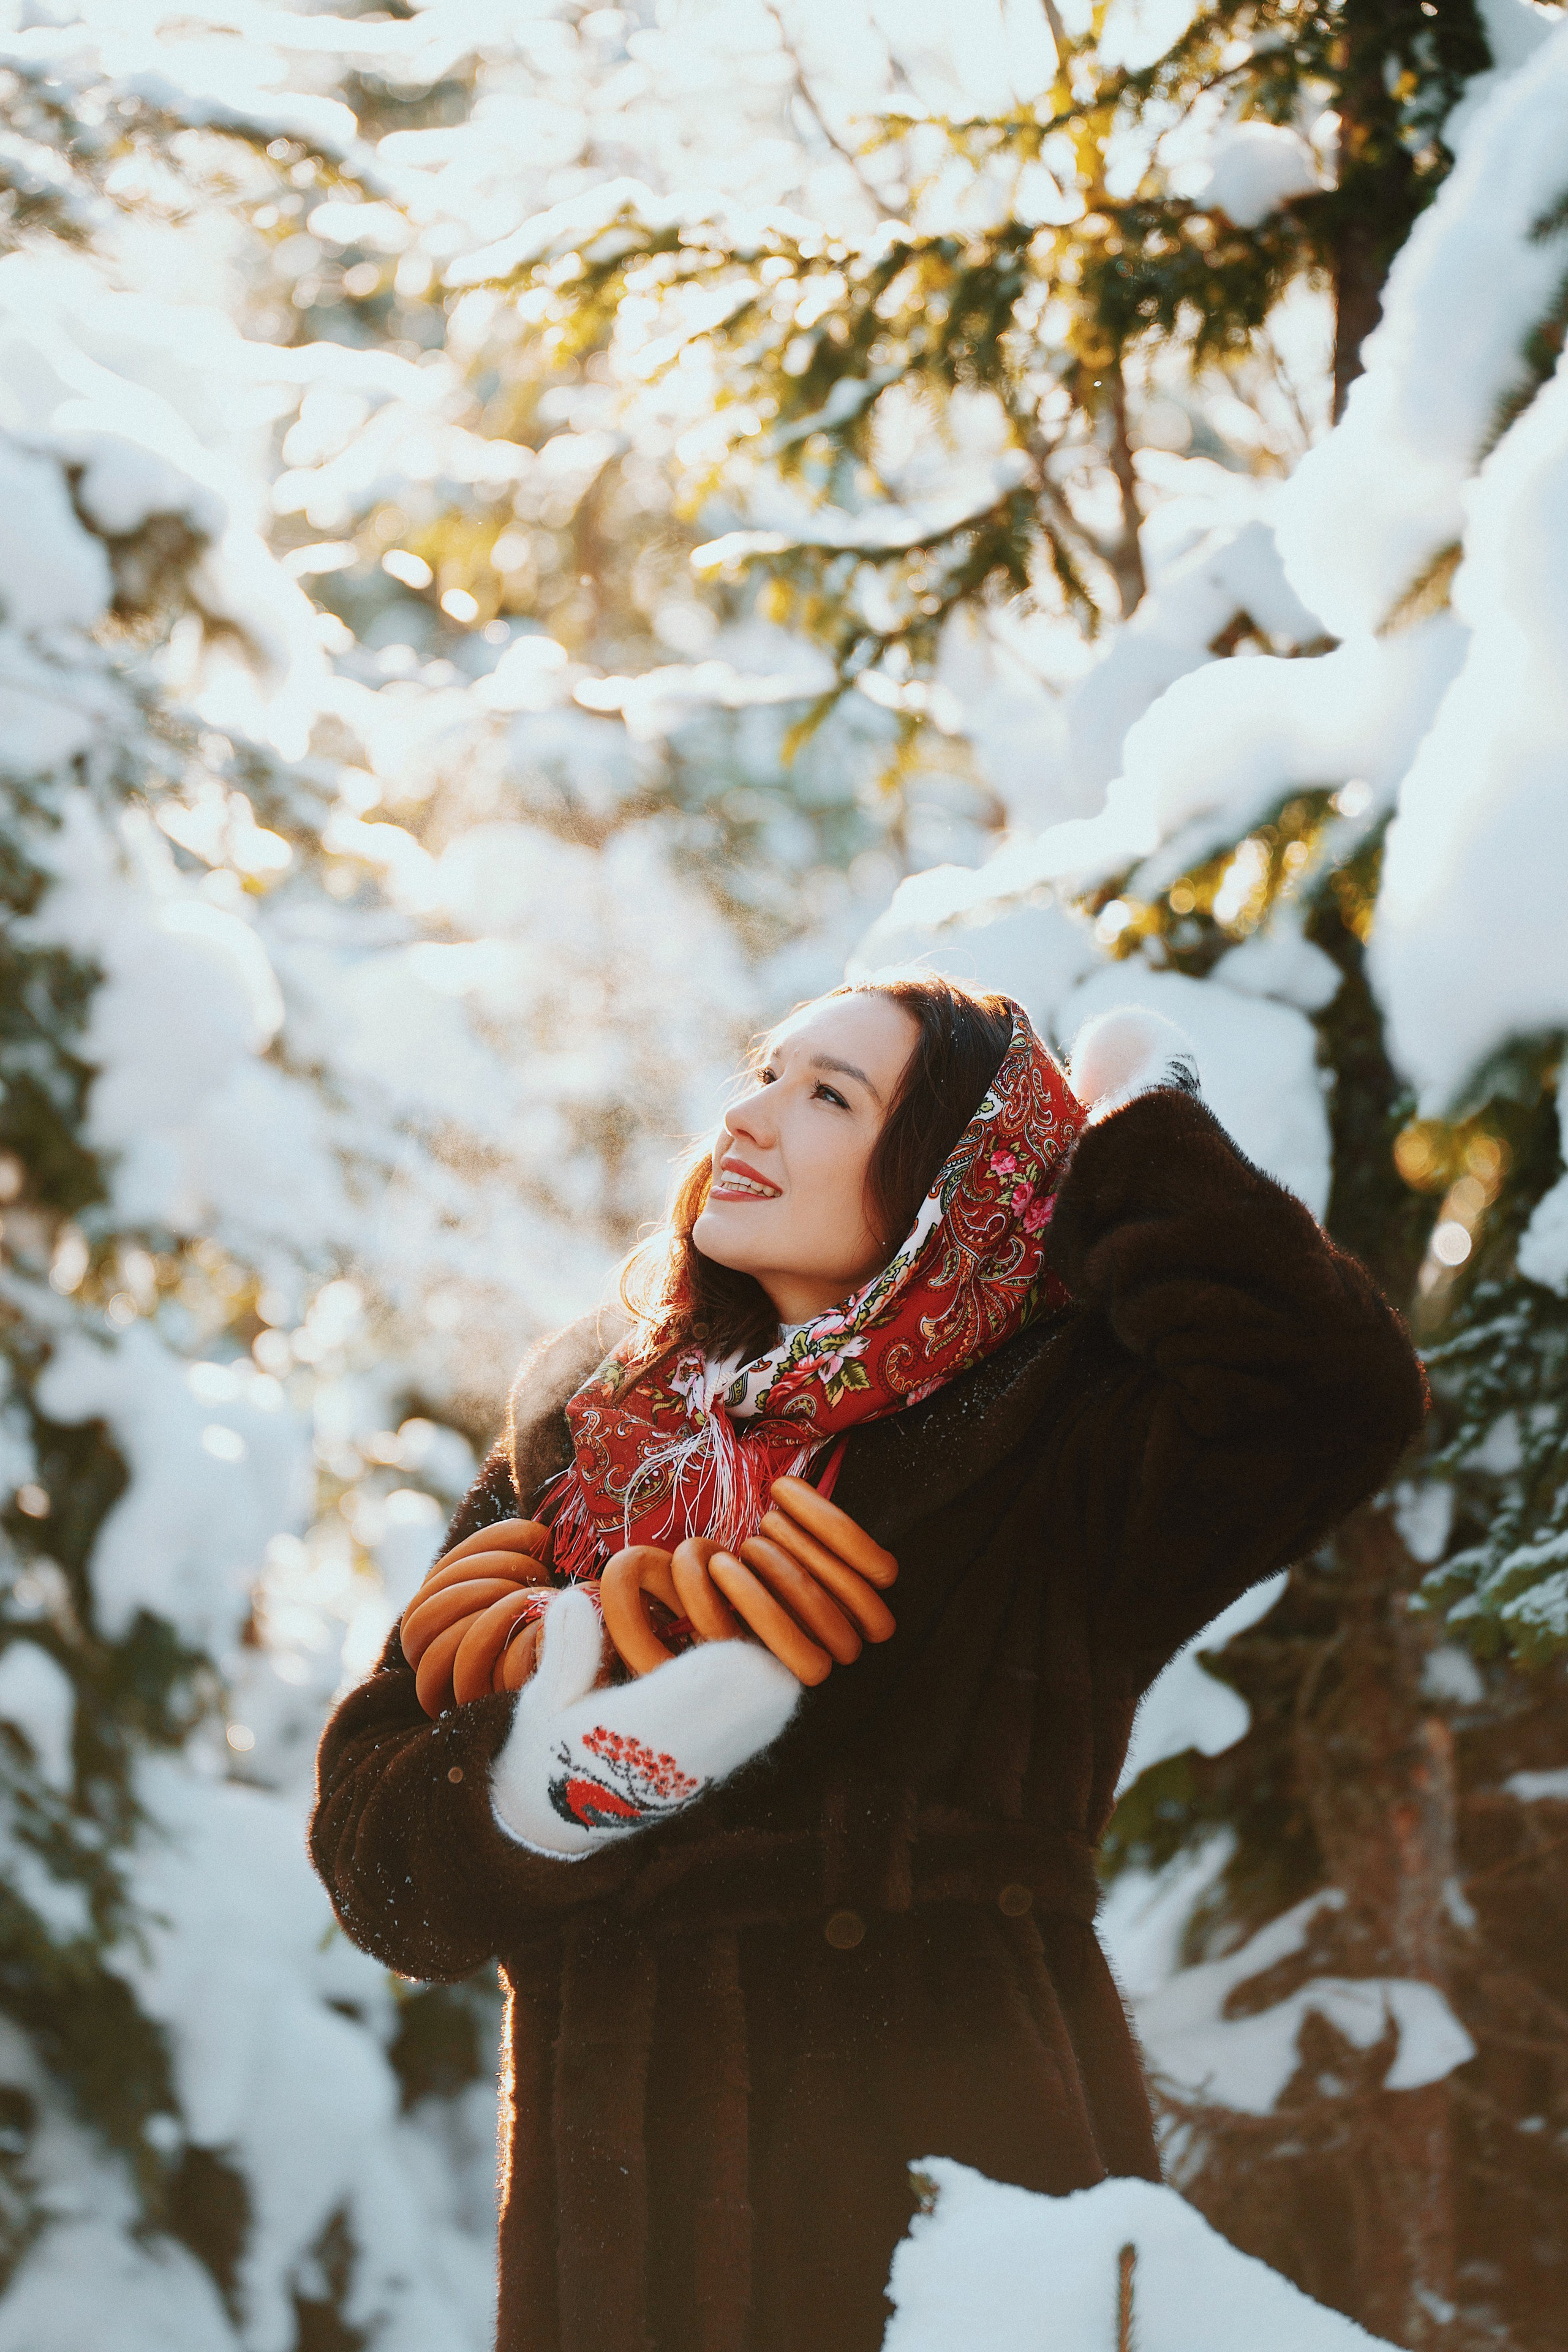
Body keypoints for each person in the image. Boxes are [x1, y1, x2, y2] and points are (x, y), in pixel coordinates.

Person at [310, 975, 1425, 2352]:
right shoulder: (584, 1445)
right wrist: (534, 1797)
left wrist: (1138, 1120)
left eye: (825, 1095)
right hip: (617, 2247)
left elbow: (1330, 1390)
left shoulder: (1052, 1439)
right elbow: (378, 1866)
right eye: (761, 1070)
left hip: (947, 2207)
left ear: (957, 1171)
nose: (747, 1113)